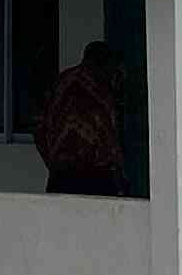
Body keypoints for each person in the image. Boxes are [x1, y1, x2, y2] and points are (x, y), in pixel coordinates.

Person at [34, 41, 133, 196]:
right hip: (96, 176)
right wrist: (120, 177)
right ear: (106, 63)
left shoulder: (60, 82)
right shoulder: (101, 88)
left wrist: (54, 161)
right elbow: (109, 135)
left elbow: (39, 127)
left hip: (60, 175)